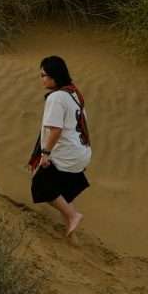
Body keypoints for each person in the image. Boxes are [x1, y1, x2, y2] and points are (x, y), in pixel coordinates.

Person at [28, 55, 91, 237]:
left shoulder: (56, 97)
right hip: (80, 150)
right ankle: (72, 234)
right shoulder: (73, 92)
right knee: (60, 189)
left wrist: (45, 154)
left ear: (54, 75)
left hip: (66, 151)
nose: (42, 79)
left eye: (44, 75)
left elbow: (55, 130)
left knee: (40, 184)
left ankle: (73, 215)